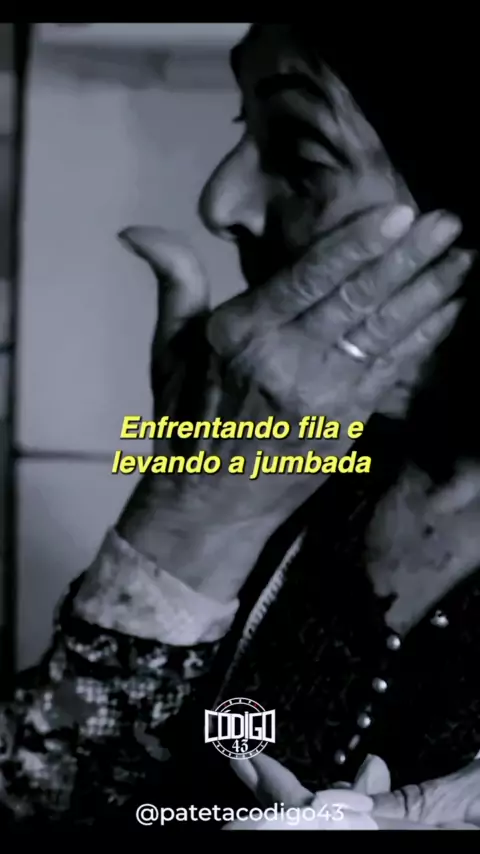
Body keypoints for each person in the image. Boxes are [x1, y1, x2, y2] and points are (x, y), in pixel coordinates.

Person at [2, 23, 480, 829]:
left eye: (299, 152)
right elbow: (40, 799)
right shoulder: (301, 460)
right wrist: (188, 520)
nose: (221, 203)